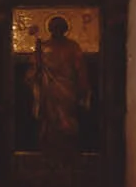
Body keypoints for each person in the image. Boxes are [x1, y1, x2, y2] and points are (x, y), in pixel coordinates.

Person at [30, 16, 91, 155]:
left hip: (68, 89)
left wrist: (83, 88)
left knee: (66, 116)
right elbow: (35, 70)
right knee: (51, 117)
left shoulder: (73, 47)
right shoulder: (43, 46)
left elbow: (80, 69)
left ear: (64, 29)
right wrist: (37, 60)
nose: (57, 30)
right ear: (50, 29)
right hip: (49, 88)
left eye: (60, 27)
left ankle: (67, 146)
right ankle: (50, 146)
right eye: (54, 28)